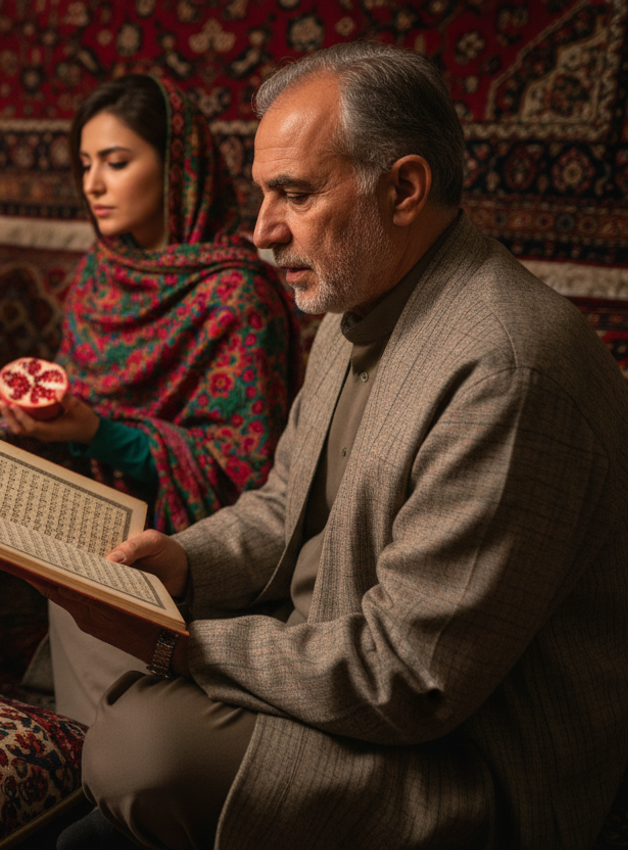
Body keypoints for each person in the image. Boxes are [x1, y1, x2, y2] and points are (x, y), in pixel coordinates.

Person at [52, 42, 628, 850]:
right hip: (327, 657)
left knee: (137, 750)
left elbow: (410, 677)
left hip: (462, 759)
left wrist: (181, 644)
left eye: (293, 193)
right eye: (261, 195)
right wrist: (184, 565)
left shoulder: (508, 368)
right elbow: (285, 506)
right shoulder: (351, 309)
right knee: (84, 609)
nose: (260, 232)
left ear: (404, 188)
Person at [0, 75, 297, 725]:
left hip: (183, 557)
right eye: (85, 165)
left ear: (178, 168)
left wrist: (101, 432)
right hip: (73, 530)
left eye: (117, 162)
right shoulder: (100, 273)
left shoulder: (237, 297)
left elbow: (248, 475)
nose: (93, 185)